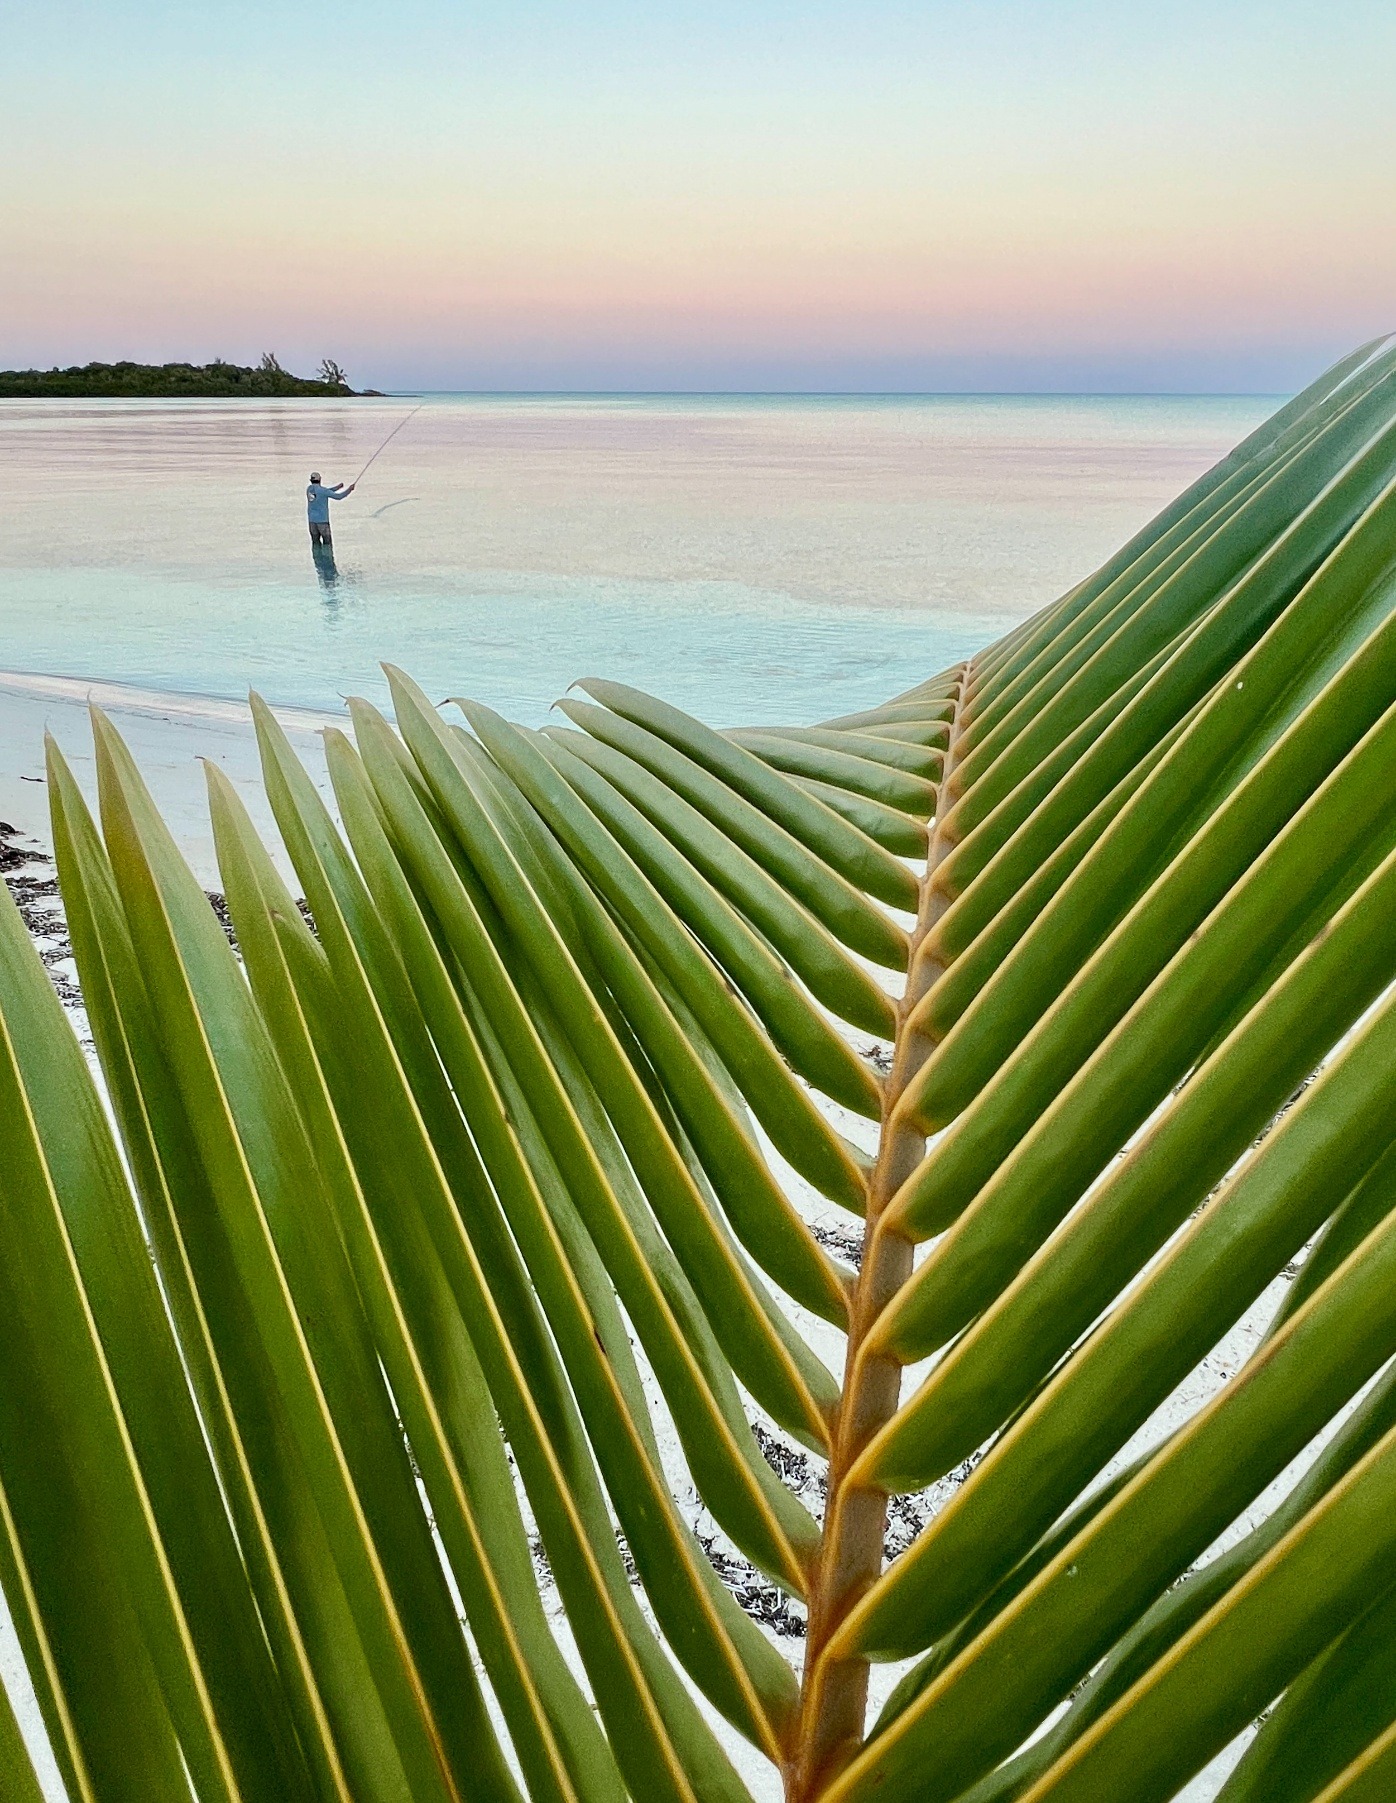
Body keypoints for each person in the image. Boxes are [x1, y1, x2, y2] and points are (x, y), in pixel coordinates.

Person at [306, 471, 355, 545]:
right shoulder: (323, 491)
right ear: (320, 479)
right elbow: (338, 496)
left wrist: (337, 487)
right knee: (327, 544)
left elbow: (325, 491)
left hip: (312, 521)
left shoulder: (309, 489)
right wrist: (349, 490)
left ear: (311, 480)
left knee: (315, 543)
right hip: (322, 521)